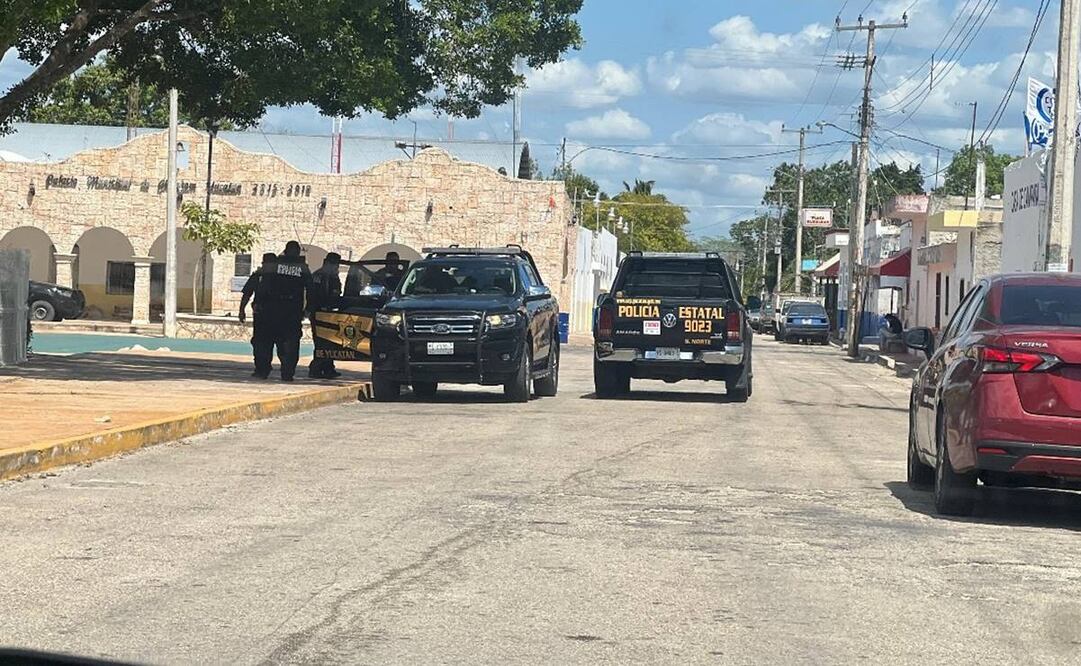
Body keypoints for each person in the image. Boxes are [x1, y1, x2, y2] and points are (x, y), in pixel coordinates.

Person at [251, 241, 311, 381]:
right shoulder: (302, 268)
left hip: (271, 311)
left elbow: (263, 286)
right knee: (289, 345)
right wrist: (308, 309)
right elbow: (310, 289)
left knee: (265, 343)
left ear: (284, 251)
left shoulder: (274, 265)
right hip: (290, 312)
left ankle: (263, 370)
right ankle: (286, 372)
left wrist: (258, 303)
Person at [239, 252, 278, 378]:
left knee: (271, 342)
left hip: (277, 316)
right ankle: (261, 367)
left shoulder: (281, 277)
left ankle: (266, 366)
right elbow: (247, 293)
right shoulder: (258, 276)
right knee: (260, 343)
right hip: (261, 314)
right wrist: (241, 310)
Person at [308, 252, 343, 379]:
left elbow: (337, 293)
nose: (336, 268)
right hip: (319, 313)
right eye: (334, 264)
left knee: (330, 342)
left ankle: (328, 368)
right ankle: (316, 367)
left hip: (330, 313)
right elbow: (313, 295)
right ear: (327, 263)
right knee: (321, 342)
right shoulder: (318, 276)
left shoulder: (333, 277)